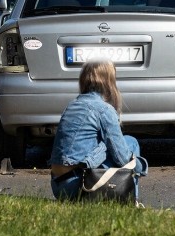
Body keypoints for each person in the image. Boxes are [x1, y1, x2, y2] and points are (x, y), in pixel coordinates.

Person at [49, 60, 147, 201]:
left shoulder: (72, 105)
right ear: (109, 82)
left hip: (58, 186)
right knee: (130, 142)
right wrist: (142, 167)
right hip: (78, 185)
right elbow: (122, 158)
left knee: (109, 144)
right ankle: (132, 198)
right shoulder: (103, 109)